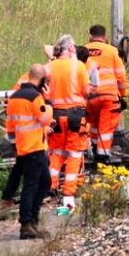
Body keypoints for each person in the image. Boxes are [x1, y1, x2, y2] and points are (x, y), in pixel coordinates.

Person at [5, 64, 54, 239]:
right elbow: (45, 119)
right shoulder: (35, 97)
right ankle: (27, 224)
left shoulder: (14, 96)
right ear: (41, 80)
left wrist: (16, 144)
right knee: (32, 186)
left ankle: (32, 221)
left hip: (23, 147)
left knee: (43, 183)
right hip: (35, 147)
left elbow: (9, 125)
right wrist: (48, 100)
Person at [45, 35, 90, 209]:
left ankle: (51, 185)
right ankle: (69, 191)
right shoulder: (78, 65)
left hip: (55, 115)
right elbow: (86, 91)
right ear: (71, 48)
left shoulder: (50, 66)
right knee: (75, 154)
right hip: (76, 115)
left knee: (56, 152)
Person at [85, 25, 127, 160]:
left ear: (90, 36)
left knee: (93, 125)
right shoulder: (112, 51)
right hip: (108, 96)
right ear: (104, 37)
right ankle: (102, 156)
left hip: (89, 96)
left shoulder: (83, 50)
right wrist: (122, 95)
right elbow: (121, 76)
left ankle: (93, 148)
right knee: (106, 127)